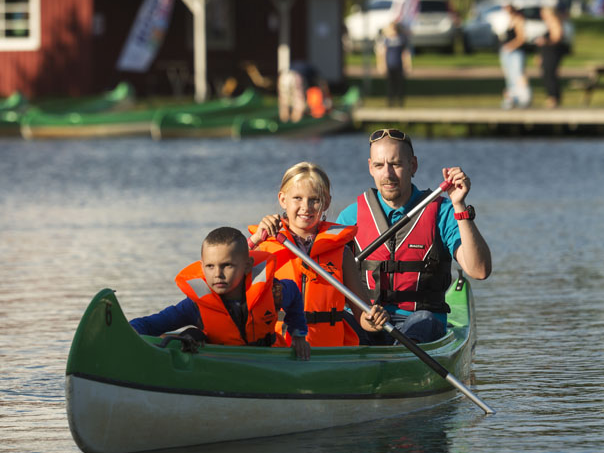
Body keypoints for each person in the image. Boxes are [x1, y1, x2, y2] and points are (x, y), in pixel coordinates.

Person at [336, 128, 492, 344]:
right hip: (368, 321)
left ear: (413, 166)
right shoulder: (350, 217)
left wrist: (459, 205)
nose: (388, 174)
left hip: (421, 323)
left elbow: (479, 270)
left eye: (396, 164)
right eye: (380, 166)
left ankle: (398, 365)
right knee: (334, 320)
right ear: (371, 167)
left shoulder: (442, 211)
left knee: (423, 322)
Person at [248, 162, 389, 346]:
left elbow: (362, 315)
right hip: (278, 348)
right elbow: (228, 273)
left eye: (314, 199)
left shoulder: (342, 253)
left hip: (327, 351)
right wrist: (255, 240)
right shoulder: (263, 245)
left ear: (326, 202)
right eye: (297, 198)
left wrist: (373, 321)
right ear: (283, 199)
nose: (306, 207)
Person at [130, 226, 311, 359]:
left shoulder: (272, 291)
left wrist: (298, 334)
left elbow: (294, 293)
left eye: (227, 265)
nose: (218, 274)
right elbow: (151, 325)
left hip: (271, 363)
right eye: (210, 266)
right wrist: (125, 331)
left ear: (247, 265)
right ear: (202, 267)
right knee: (190, 334)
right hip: (224, 369)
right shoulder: (195, 306)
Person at [499, 4, 531, 108]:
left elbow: (522, 38)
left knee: (518, 74)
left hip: (516, 52)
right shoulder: (508, 20)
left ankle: (524, 97)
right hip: (508, 53)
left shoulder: (519, 20)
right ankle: (512, 98)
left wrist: (510, 46)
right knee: (510, 77)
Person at [536, 5, 567, 108]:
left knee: (550, 74)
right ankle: (551, 96)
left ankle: (554, 97)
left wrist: (545, 41)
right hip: (547, 52)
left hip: (552, 52)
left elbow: (557, 38)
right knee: (546, 74)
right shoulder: (548, 24)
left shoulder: (555, 22)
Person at [375, 21, 412, 107]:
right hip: (389, 65)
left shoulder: (401, 39)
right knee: (390, 85)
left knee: (400, 85)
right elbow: (381, 54)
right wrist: (381, 65)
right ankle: (390, 102)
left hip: (399, 65)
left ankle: (400, 103)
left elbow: (405, 53)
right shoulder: (385, 40)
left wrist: (407, 65)